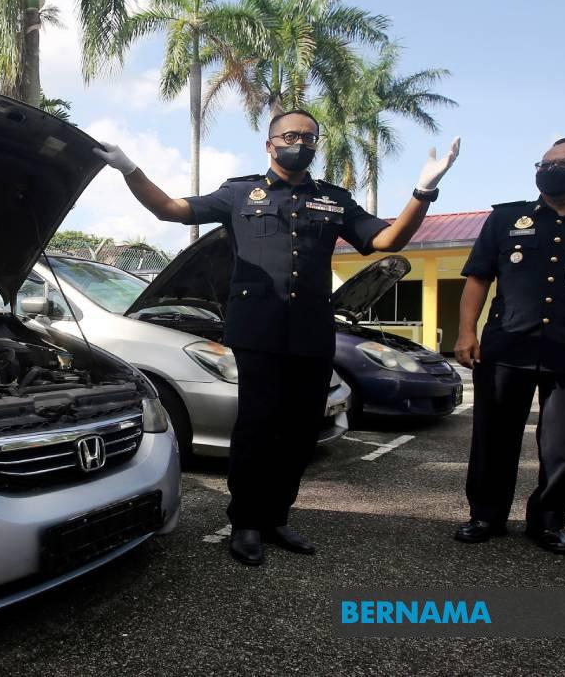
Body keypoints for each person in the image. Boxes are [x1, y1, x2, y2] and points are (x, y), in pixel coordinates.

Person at [94, 111, 460, 565]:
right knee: (257, 428)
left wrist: (423, 192)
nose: (300, 143)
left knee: (301, 431)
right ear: (270, 144)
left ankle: (276, 517)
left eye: (309, 137)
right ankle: (245, 522)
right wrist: (131, 169)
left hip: (311, 331)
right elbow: (170, 209)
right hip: (257, 331)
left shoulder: (333, 199)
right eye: (291, 135)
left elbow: (386, 240)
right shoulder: (238, 193)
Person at [453, 136, 565, 554]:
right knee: (493, 438)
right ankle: (486, 516)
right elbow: (478, 277)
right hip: (507, 346)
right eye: (545, 161)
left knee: (563, 445)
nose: (551, 168)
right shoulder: (505, 219)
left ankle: (549, 522)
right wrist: (466, 332)